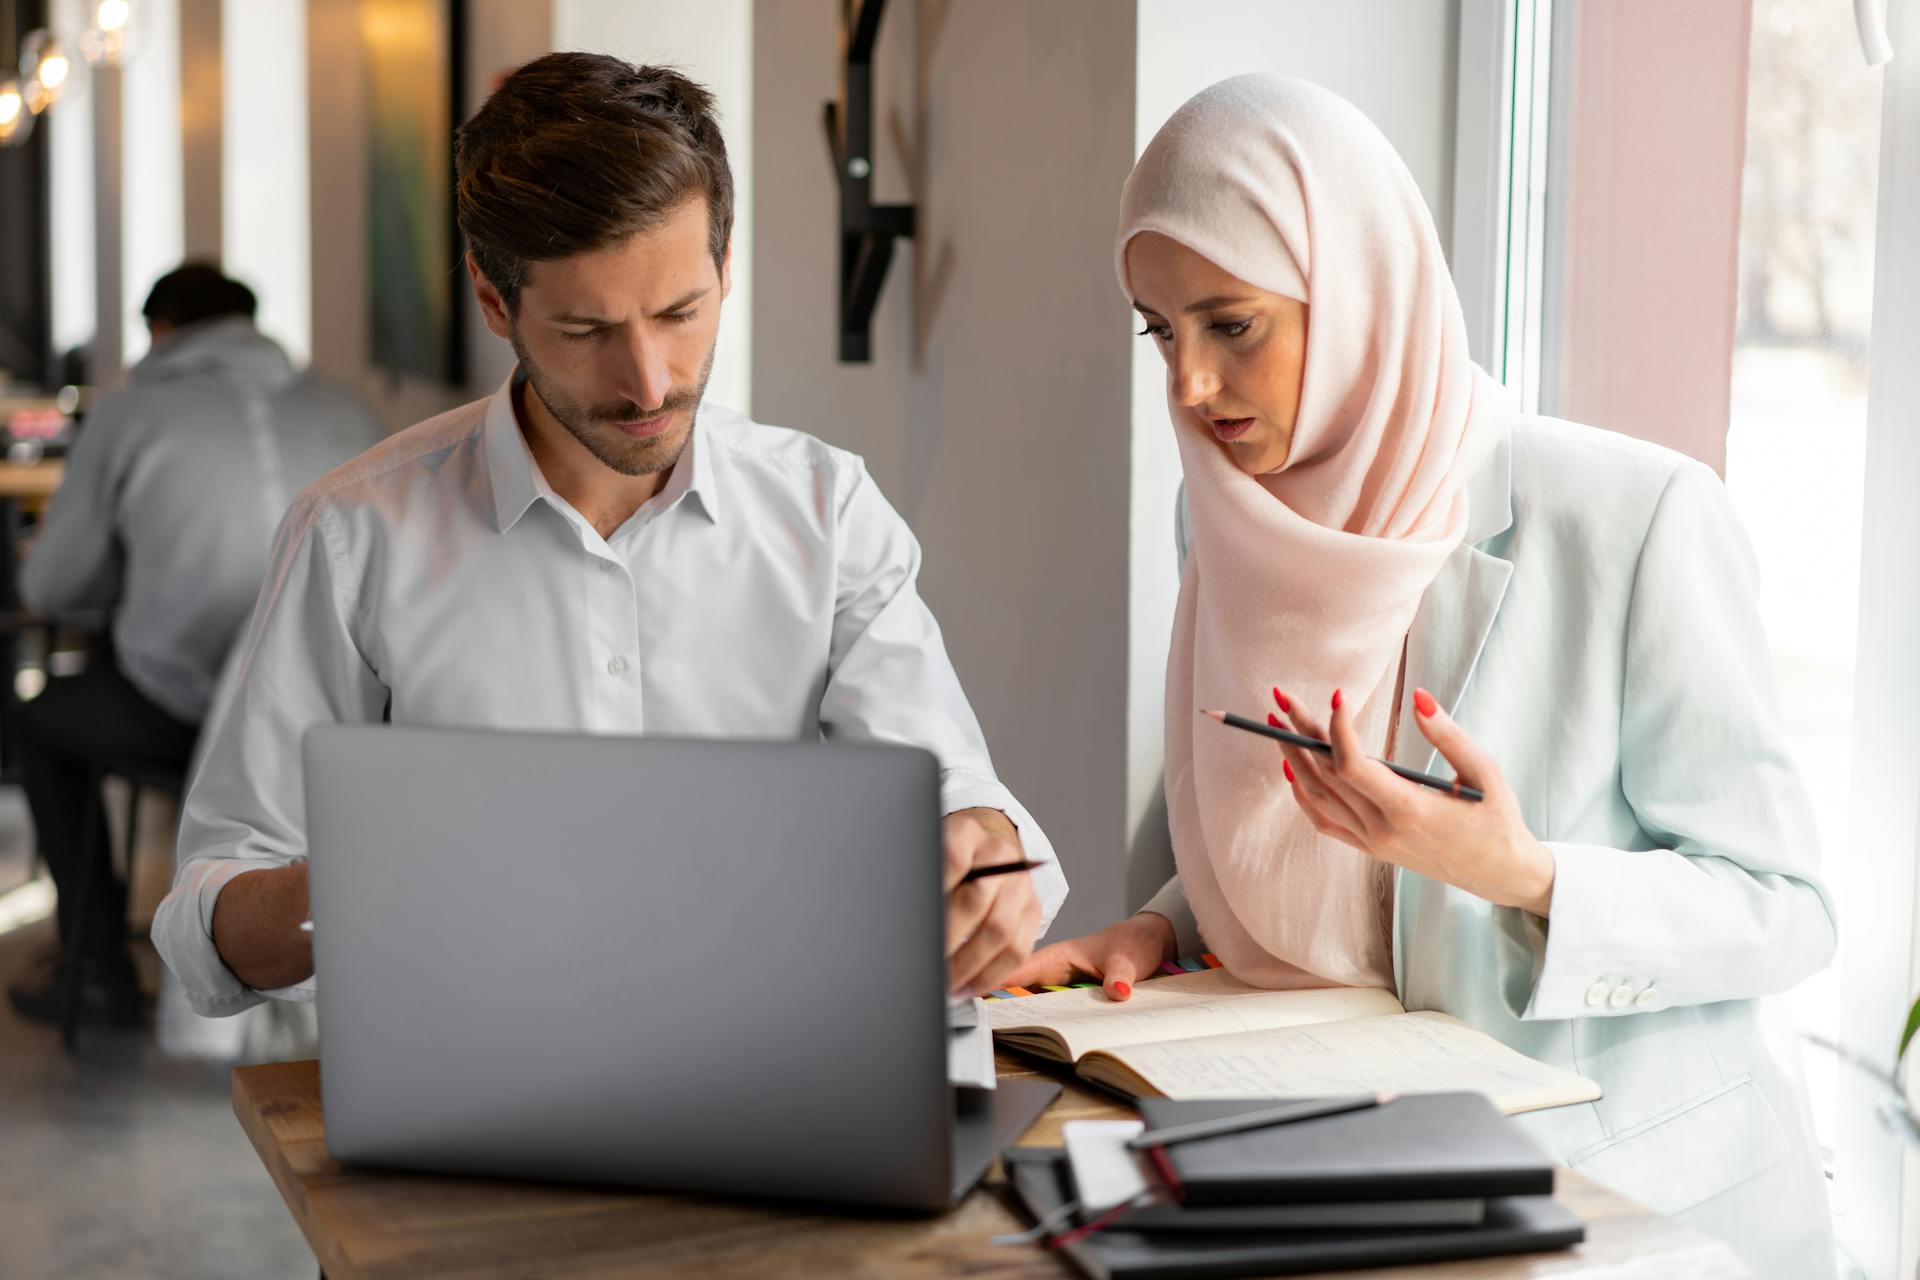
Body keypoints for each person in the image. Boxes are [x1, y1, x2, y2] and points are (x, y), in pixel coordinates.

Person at [1006, 75, 1835, 1278]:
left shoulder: (1633, 516)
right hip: (1331, 1163)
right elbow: (1298, 827)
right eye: (1159, 330)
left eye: (1231, 324)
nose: (1188, 385)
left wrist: (1521, 873)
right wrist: (1161, 925)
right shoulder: (1227, 525)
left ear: (1359, 295)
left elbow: (1789, 908)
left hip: (1613, 1198)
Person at [152, 55, 1066, 1019]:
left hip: (780, 1052)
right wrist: (367, 885)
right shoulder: (352, 536)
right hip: (474, 1079)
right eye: (586, 330)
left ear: (725, 267)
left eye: (680, 314)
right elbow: (208, 921)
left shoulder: (827, 510)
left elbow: (954, 787)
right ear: (495, 300)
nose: (648, 382)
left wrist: (979, 838)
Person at [9, 263, 382, 1027]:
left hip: (182, 712)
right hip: (343, 727)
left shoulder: (128, 415)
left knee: (38, 722)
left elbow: (54, 588)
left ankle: (97, 972)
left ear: (162, 332)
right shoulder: (348, 407)